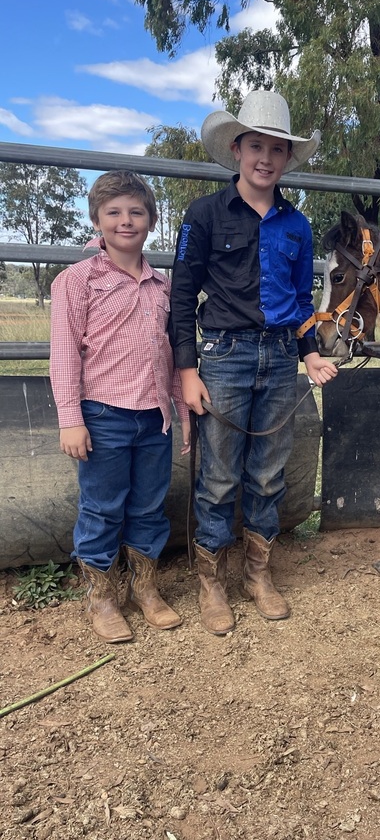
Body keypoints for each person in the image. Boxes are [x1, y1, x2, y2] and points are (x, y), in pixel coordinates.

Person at [169, 89, 337, 636]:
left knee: (268, 472)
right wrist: (187, 370)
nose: (265, 158)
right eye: (256, 146)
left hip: (281, 356)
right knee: (219, 474)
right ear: (237, 149)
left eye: (277, 149)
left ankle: (257, 573)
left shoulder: (296, 226)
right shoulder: (204, 215)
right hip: (224, 355)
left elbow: (301, 301)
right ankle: (212, 580)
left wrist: (310, 353)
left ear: (287, 158)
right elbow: (182, 296)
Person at [50, 171, 190, 644]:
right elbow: (64, 353)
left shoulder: (162, 286)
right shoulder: (78, 281)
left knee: (149, 506)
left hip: (154, 418)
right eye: (113, 212)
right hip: (103, 416)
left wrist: (182, 413)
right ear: (97, 220)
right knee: (102, 508)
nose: (125, 220)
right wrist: (71, 419)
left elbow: (172, 357)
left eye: (136, 211)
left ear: (150, 221)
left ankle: (145, 588)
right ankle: (103, 597)